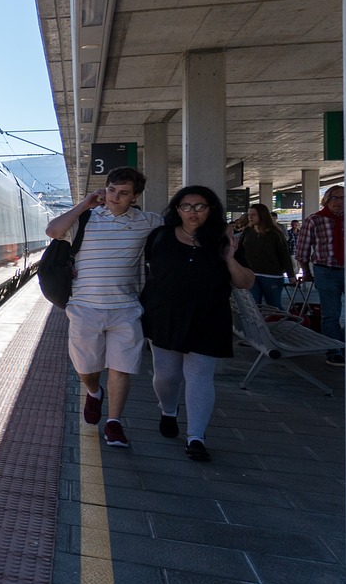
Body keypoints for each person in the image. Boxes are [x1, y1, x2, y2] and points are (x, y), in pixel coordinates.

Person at [46, 166, 160, 448]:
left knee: (121, 367)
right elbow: (53, 230)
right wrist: (85, 204)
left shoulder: (149, 222)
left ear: (135, 197)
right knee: (86, 366)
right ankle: (94, 392)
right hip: (85, 308)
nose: (115, 197)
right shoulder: (85, 220)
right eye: (111, 190)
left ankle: (114, 423)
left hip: (126, 308)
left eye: (123, 193)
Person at [140, 186, 255, 462]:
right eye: (186, 206)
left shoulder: (224, 241)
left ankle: (196, 437)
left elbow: (245, 282)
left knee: (200, 376)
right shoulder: (160, 237)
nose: (193, 212)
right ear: (177, 210)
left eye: (200, 206)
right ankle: (168, 410)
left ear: (211, 209)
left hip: (209, 317)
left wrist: (229, 259)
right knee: (166, 375)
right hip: (165, 316)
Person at [294, 184, 346, 365]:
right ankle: (334, 351)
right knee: (331, 313)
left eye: (343, 198)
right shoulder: (315, 220)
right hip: (326, 271)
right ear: (327, 200)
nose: (340, 202)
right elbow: (302, 250)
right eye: (335, 198)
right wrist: (306, 271)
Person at [237, 202, 294, 308]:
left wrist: (291, 275)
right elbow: (240, 251)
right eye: (249, 215)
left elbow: (284, 254)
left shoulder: (275, 234)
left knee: (274, 305)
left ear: (262, 215)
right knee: (253, 305)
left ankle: (281, 323)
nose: (250, 217)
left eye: (253, 215)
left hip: (272, 275)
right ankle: (257, 324)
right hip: (251, 274)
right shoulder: (248, 231)